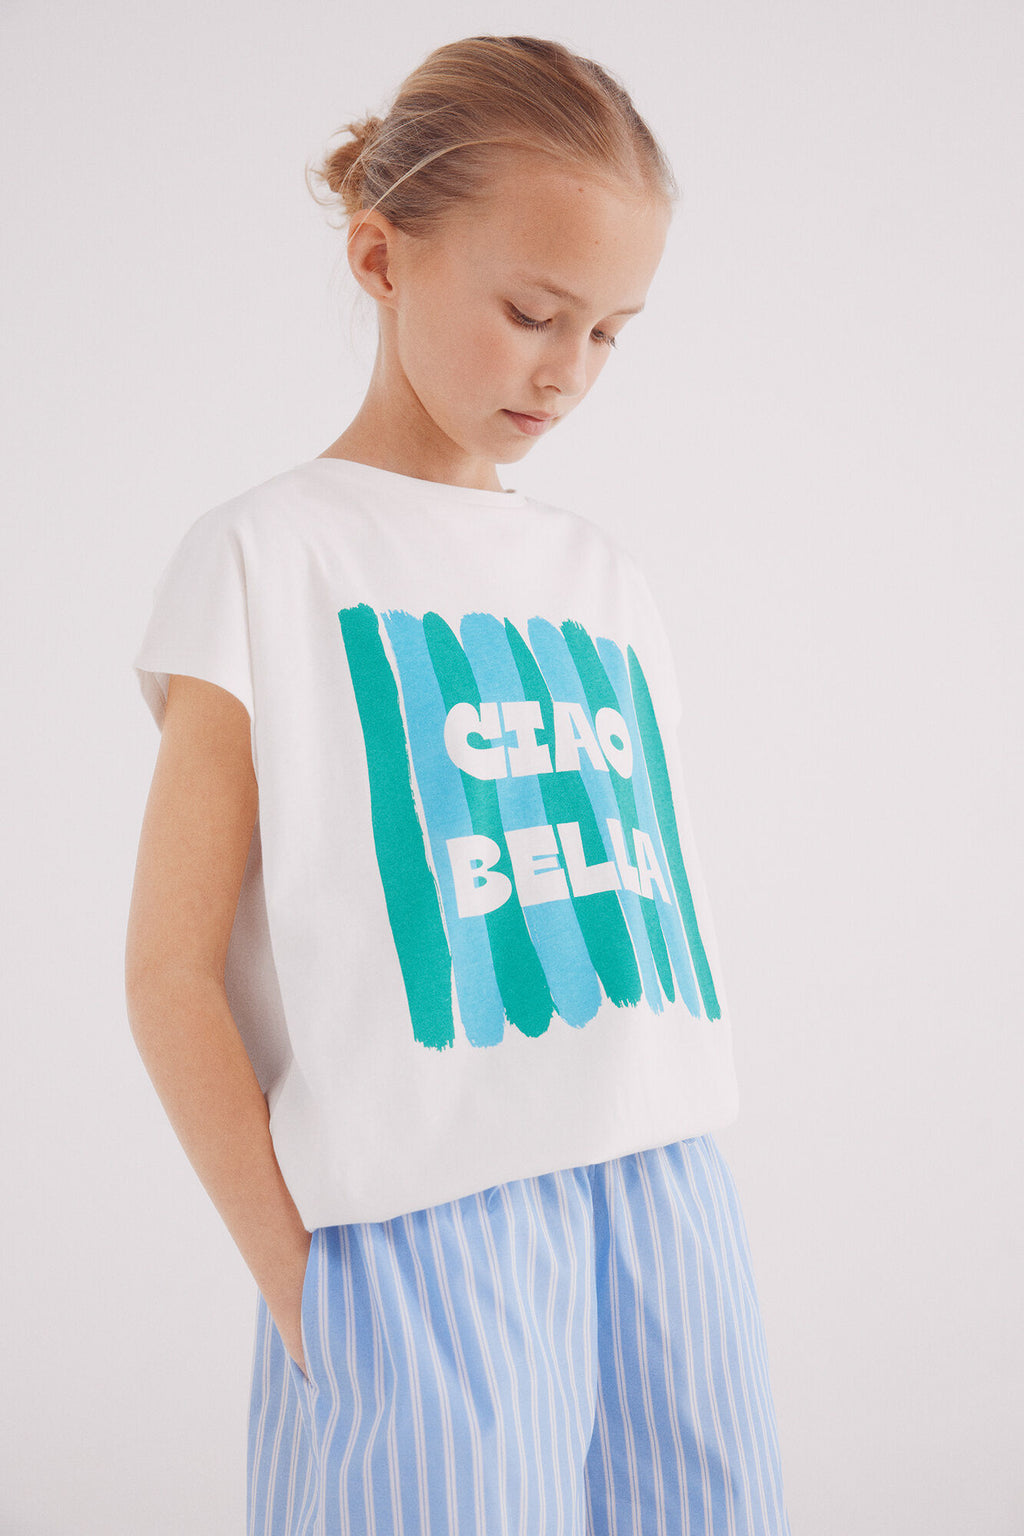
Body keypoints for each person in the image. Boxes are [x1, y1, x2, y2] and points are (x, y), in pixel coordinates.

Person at [125, 33, 791, 1536]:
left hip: (667, 1200)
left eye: (611, 332)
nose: (569, 370)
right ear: (381, 257)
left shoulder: (603, 577)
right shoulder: (266, 558)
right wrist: (302, 1279)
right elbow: (169, 971)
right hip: (415, 1229)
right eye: (533, 313)